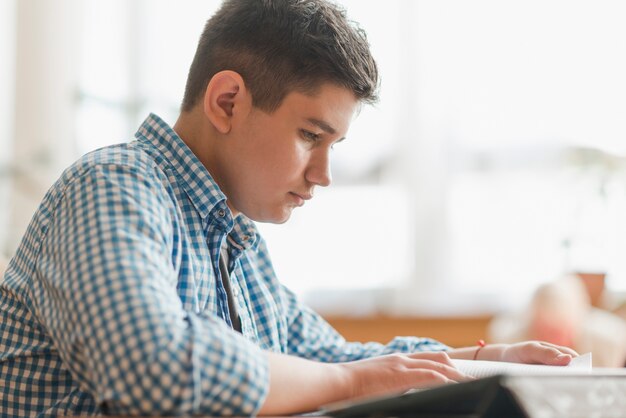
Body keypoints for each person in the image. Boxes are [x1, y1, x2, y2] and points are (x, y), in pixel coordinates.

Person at [0, 0, 577, 416]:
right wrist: (348, 383)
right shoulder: (113, 186)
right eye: (310, 136)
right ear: (227, 102)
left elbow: (328, 356)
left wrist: (485, 360)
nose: (323, 176)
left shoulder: (233, 241)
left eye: (334, 147)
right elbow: (155, 369)